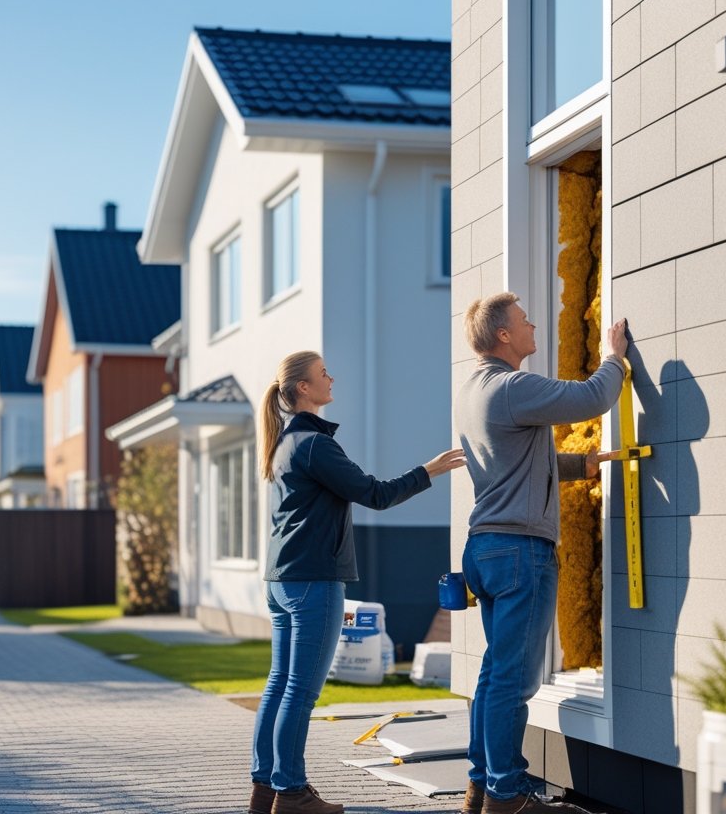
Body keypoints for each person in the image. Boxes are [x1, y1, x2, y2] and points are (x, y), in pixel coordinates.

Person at [247, 350, 466, 814]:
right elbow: (375, 494)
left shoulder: (286, 442)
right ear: (303, 387)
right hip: (313, 581)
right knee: (299, 691)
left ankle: (266, 791)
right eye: (323, 373)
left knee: (280, 685)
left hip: (282, 580)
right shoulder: (313, 444)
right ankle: (291, 792)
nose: (332, 378)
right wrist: (429, 470)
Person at [453, 293, 628, 814]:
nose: (533, 327)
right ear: (504, 336)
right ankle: (508, 794)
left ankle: (483, 786)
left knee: (495, 674)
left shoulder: (473, 390)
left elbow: (517, 459)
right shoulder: (513, 386)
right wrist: (614, 357)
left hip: (486, 548)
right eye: (525, 321)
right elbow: (591, 397)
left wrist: (580, 465)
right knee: (514, 680)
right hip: (519, 550)